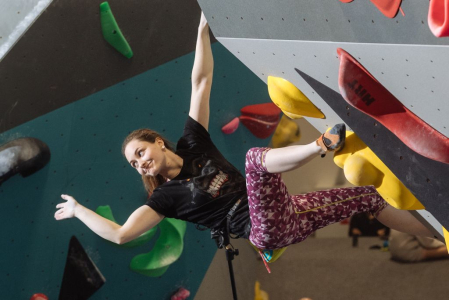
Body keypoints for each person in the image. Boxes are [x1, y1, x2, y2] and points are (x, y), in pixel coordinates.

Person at [54, 12, 433, 254]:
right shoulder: (166, 198)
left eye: (139, 152)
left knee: (368, 197)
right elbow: (121, 235)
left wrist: (203, 31)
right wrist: (77, 210)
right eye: (133, 164)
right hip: (262, 230)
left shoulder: (193, 142)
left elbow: (200, 81)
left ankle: (438, 234)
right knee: (254, 161)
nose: (139, 163)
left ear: (157, 141)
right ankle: (322, 145)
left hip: (289, 213)